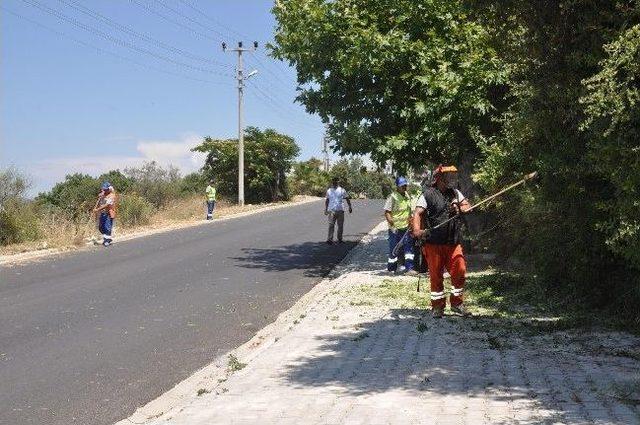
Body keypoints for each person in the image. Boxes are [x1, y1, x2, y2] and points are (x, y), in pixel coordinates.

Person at [412, 165, 471, 318]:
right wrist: (417, 231)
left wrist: (460, 207)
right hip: (433, 243)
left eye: (452, 176)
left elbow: (467, 206)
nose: (451, 179)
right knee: (436, 275)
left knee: (460, 270)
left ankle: (457, 304)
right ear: (439, 178)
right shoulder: (428, 194)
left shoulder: (455, 193)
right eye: (448, 176)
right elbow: (417, 213)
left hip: (453, 241)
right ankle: (437, 307)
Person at [384, 176, 416, 274]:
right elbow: (387, 212)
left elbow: (409, 209)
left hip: (406, 228)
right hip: (395, 228)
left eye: (405, 185)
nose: (405, 187)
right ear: (397, 187)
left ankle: (409, 268)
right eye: (402, 186)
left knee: (409, 248)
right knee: (394, 248)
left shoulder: (407, 195)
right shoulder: (392, 197)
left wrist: (411, 220)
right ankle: (392, 269)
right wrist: (392, 225)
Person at [324, 177, 352, 244]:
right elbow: (327, 200)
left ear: (338, 182)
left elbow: (347, 198)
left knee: (340, 226)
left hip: (340, 210)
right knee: (331, 225)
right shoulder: (329, 190)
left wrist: (350, 206)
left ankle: (340, 239)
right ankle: (329, 240)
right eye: (333, 181)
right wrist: (326, 209)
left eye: (336, 181)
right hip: (331, 210)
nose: (335, 182)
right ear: (332, 182)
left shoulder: (342, 190)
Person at [93, 182, 117, 247]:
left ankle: (107, 241)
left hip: (109, 214)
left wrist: (97, 210)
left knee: (107, 228)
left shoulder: (112, 196)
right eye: (103, 189)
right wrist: (100, 195)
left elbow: (107, 205)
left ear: (108, 189)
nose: (104, 190)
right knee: (100, 227)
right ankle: (108, 238)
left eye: (105, 189)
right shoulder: (103, 193)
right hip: (103, 213)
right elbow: (99, 196)